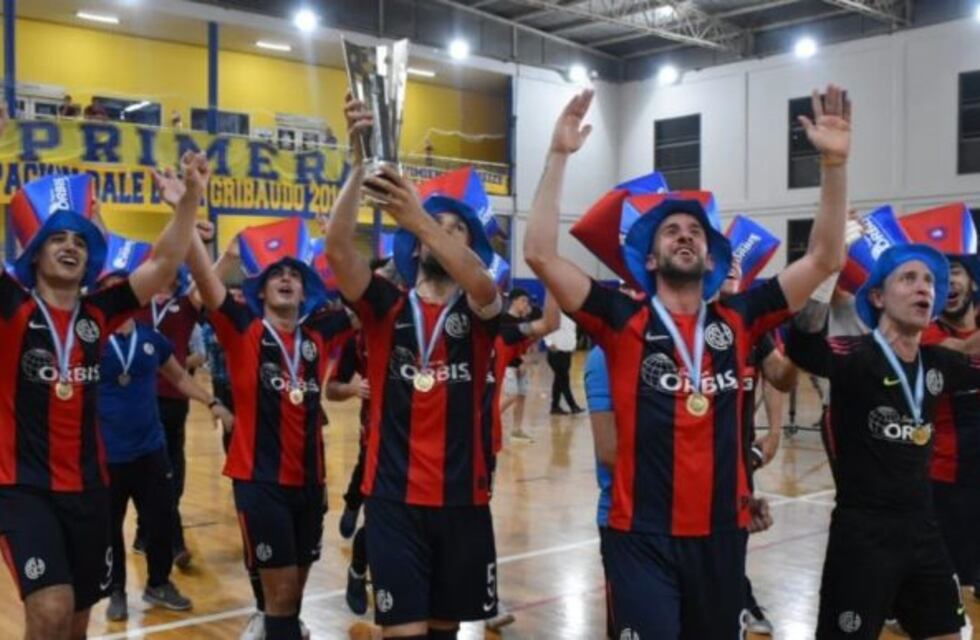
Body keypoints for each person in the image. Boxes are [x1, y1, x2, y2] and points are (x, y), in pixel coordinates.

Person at [522, 85, 850, 638]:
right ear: (649, 257)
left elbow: (825, 257)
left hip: (723, 533)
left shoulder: (740, 317)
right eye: (672, 230)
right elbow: (539, 254)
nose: (685, 235)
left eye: (695, 231)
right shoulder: (619, 319)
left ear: (710, 254)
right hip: (639, 535)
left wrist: (834, 165)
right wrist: (557, 157)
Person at [0, 150, 210, 640]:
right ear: (34, 249)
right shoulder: (9, 306)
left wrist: (189, 201)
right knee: (50, 608)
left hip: (91, 490)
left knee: (76, 621)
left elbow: (163, 263)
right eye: (57, 238)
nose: (70, 246)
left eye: (80, 238)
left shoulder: (99, 312)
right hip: (24, 489)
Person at [326, 93, 503, 640]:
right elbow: (336, 251)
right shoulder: (386, 307)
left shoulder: (478, 311)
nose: (442, 231)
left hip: (462, 500)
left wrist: (423, 219)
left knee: (444, 633)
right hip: (394, 499)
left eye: (457, 228)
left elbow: (482, 283)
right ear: (411, 243)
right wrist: (358, 166)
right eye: (434, 224)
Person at [787, 243, 973, 639]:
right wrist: (825, 273)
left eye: (928, 281)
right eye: (909, 278)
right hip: (863, 538)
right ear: (877, 296)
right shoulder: (855, 357)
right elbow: (803, 346)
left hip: (924, 532)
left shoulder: (939, 365)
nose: (924, 288)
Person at [186, 216, 352, 640]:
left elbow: (370, 295)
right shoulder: (244, 329)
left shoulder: (319, 334)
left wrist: (339, 239)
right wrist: (193, 225)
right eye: (276, 273)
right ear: (260, 289)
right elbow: (205, 286)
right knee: (279, 602)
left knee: (292, 600)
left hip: (311, 484)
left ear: (305, 290)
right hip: (260, 483)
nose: (286, 279)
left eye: (294, 274)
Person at [97, 270, 234, 622]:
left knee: (159, 521)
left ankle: (158, 583)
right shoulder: (90, 339)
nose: (116, 297)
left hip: (150, 450)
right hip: (105, 454)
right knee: (110, 528)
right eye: (108, 291)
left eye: (121, 290)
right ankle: (116, 590)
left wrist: (211, 401)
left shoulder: (152, 339)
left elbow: (178, 376)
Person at [918, 252, 980, 599]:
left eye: (955, 272)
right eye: (940, 276)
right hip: (947, 478)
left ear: (973, 281)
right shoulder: (927, 334)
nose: (949, 281)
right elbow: (961, 353)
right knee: (946, 584)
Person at [132, 268, 201, 568]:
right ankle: (175, 543)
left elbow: (207, 279)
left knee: (175, 472)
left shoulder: (185, 305)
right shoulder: (137, 304)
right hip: (143, 397)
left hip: (176, 397)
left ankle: (143, 532)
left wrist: (201, 244)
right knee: (158, 471)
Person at [495, 289, 559, 444]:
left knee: (522, 396)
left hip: (520, 364)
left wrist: (526, 359)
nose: (526, 304)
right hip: (508, 364)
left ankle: (516, 431)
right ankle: (489, 420)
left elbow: (529, 345)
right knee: (512, 395)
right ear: (514, 301)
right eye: (523, 300)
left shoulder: (526, 321)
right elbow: (504, 346)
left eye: (527, 301)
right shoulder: (503, 320)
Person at [544, 312, 582, 415]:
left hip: (567, 352)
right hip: (556, 351)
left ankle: (554, 407)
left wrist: (573, 344)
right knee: (564, 380)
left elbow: (572, 331)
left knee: (559, 380)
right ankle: (573, 406)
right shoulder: (555, 312)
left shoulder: (572, 314)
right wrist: (549, 343)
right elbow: (546, 327)